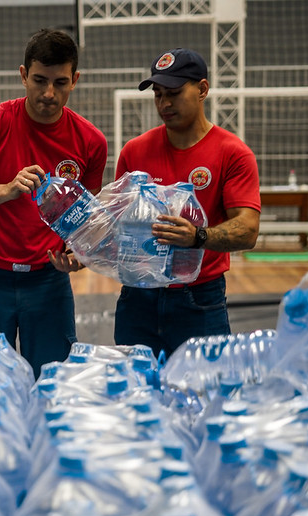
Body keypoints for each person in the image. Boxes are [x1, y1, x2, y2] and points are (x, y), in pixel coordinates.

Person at [0, 29, 107, 377]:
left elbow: (86, 224)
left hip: (48, 282)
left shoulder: (91, 141)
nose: (49, 93)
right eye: (39, 80)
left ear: (75, 80)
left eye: (60, 83)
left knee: (53, 386)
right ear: (23, 75)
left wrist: (80, 254)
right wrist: (7, 189)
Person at [113, 48, 260, 358]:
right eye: (158, 94)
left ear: (202, 89)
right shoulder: (134, 152)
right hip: (137, 298)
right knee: (136, 397)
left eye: (175, 93)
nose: (164, 104)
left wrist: (198, 237)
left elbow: (247, 230)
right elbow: (115, 222)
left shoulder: (232, 153)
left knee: (207, 396)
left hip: (199, 300)